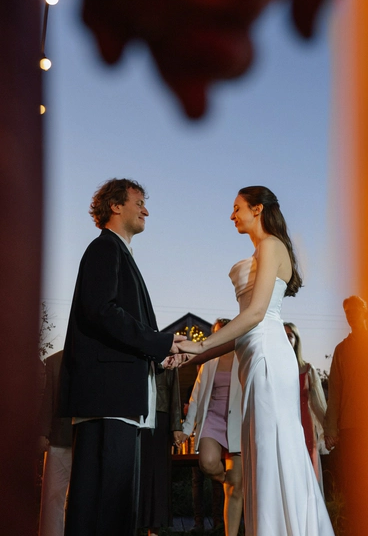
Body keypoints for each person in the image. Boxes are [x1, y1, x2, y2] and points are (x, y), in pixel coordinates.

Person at [179, 186, 334, 536]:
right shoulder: (262, 250)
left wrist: (199, 344)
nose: (232, 215)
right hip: (253, 355)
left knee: (269, 448)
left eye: (237, 208)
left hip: (267, 357)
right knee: (261, 451)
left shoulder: (270, 245)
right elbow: (239, 334)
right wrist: (191, 352)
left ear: (258, 208)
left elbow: (256, 314)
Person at [57, 178, 185, 536]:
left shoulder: (120, 253)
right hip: (107, 398)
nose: (146, 210)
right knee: (102, 505)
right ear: (116, 206)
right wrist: (160, 342)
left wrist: (159, 356)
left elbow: (120, 322)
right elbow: (102, 311)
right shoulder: (104, 249)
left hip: (119, 399)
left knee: (116, 506)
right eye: (139, 202)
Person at [177, 319, 243, 536]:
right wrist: (187, 429)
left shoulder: (244, 358)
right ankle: (228, 480)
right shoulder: (209, 361)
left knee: (236, 491)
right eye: (215, 333)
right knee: (207, 462)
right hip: (213, 420)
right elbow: (196, 397)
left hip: (238, 423)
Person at [324, 296, 368, 534]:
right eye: (347, 312)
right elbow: (335, 392)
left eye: (355, 310)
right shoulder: (341, 350)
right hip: (350, 426)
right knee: (354, 487)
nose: (351, 315)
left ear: (364, 312)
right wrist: (331, 429)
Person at [138, 367, 183, 536]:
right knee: (137, 475)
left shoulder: (167, 354)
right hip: (136, 412)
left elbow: (174, 387)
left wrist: (176, 426)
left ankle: (154, 530)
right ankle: (134, 525)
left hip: (160, 414)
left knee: (158, 477)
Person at [284, 322, 327, 494]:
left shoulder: (308, 369)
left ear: (296, 340)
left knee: (307, 471)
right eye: (282, 335)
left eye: (289, 335)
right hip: (284, 427)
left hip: (305, 426)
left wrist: (329, 430)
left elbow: (318, 405)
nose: (285, 339)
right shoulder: (272, 370)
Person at [39, 350, 73, 536]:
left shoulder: (54, 361)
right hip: (60, 438)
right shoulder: (54, 361)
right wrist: (43, 432)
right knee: (53, 498)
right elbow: (48, 399)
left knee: (55, 498)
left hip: (80, 437)